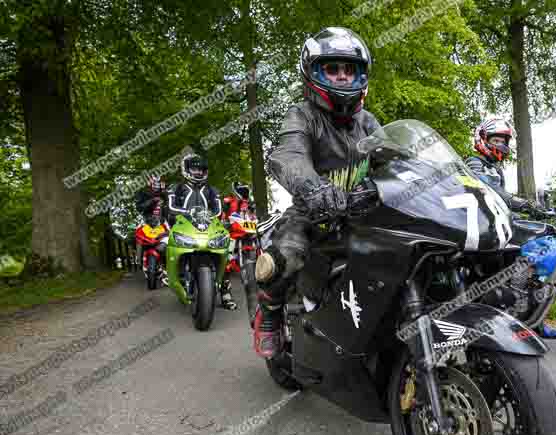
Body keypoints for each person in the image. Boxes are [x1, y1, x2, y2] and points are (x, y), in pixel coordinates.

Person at [253, 26, 380, 357]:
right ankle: (268, 312)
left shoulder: (368, 122)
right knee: (286, 257)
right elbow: (288, 155)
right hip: (314, 212)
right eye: (332, 69)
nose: (341, 76)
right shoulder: (302, 115)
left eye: (349, 69)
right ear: (312, 73)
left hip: (365, 211)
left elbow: (396, 156)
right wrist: (316, 189)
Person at [465, 117, 556, 339]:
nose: (501, 144)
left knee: (531, 271)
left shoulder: (496, 169)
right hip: (482, 230)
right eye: (496, 139)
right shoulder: (474, 162)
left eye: (504, 140)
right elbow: (490, 191)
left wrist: (527, 210)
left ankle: (533, 322)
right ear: (483, 139)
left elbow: (501, 201)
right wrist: (522, 203)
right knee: (496, 276)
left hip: (499, 226)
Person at [167, 149, 238, 310]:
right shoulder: (176, 188)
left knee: (229, 251)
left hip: (208, 228)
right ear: (186, 169)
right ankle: (171, 275)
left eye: (201, 169)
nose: (198, 172)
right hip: (183, 227)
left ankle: (225, 293)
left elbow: (218, 210)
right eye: (194, 169)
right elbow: (171, 207)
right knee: (165, 244)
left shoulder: (212, 190)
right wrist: (187, 213)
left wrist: (213, 217)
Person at [134, 175, 169, 285]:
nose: (156, 184)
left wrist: (164, 193)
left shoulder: (165, 193)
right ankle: (138, 259)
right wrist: (152, 201)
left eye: (158, 182)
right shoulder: (143, 194)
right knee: (138, 233)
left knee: (172, 237)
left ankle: (169, 267)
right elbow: (139, 207)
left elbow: (171, 205)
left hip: (163, 222)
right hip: (147, 221)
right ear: (149, 182)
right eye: (153, 182)